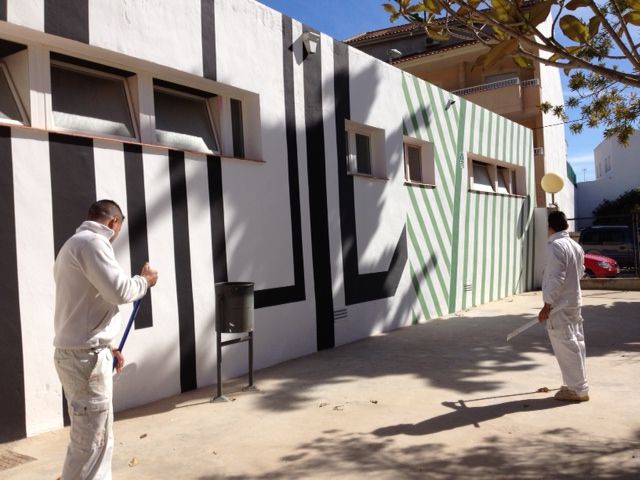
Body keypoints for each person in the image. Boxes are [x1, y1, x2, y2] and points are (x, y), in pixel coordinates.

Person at [53, 199, 158, 479]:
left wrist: (108, 344)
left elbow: (85, 303)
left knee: (94, 437)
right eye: (119, 227)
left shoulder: (72, 246)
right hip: (85, 358)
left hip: (81, 353)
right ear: (114, 222)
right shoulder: (94, 244)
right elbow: (119, 291)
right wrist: (144, 281)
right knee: (91, 441)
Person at [538, 210, 589, 402]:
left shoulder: (556, 246)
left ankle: (577, 389)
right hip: (573, 302)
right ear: (566, 226)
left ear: (549, 227)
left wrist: (547, 305)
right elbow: (580, 272)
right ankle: (576, 384)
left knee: (566, 345)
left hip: (559, 305)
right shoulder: (575, 246)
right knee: (576, 342)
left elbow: (555, 278)